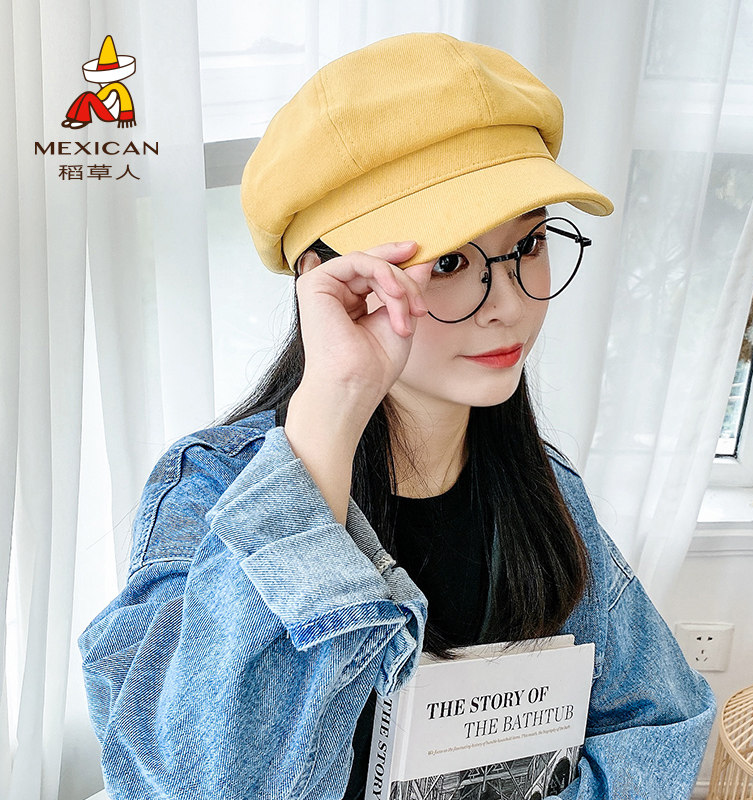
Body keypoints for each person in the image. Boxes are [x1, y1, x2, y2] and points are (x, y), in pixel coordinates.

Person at [77, 32, 716, 799]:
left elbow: (664, 725)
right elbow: (190, 782)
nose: (508, 304)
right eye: (449, 261)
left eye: (529, 243)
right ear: (328, 279)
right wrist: (331, 412)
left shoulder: (547, 492)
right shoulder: (210, 491)